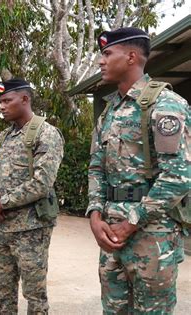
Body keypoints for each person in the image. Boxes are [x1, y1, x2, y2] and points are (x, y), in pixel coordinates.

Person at [87, 27, 190, 314]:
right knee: (114, 310)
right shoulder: (109, 112)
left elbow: (179, 175)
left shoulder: (166, 104)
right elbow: (96, 167)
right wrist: (95, 215)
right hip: (110, 232)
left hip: (152, 235)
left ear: (131, 57)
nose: (101, 61)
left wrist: (133, 221)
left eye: (108, 53)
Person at [0, 77, 64, 314]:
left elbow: (42, 183)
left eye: (7, 100)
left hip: (31, 229)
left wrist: (1, 203)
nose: (1, 106)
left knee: (34, 294)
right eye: (0, 102)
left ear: (25, 99)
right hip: (3, 226)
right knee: (4, 291)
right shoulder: (3, 137)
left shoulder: (46, 134)